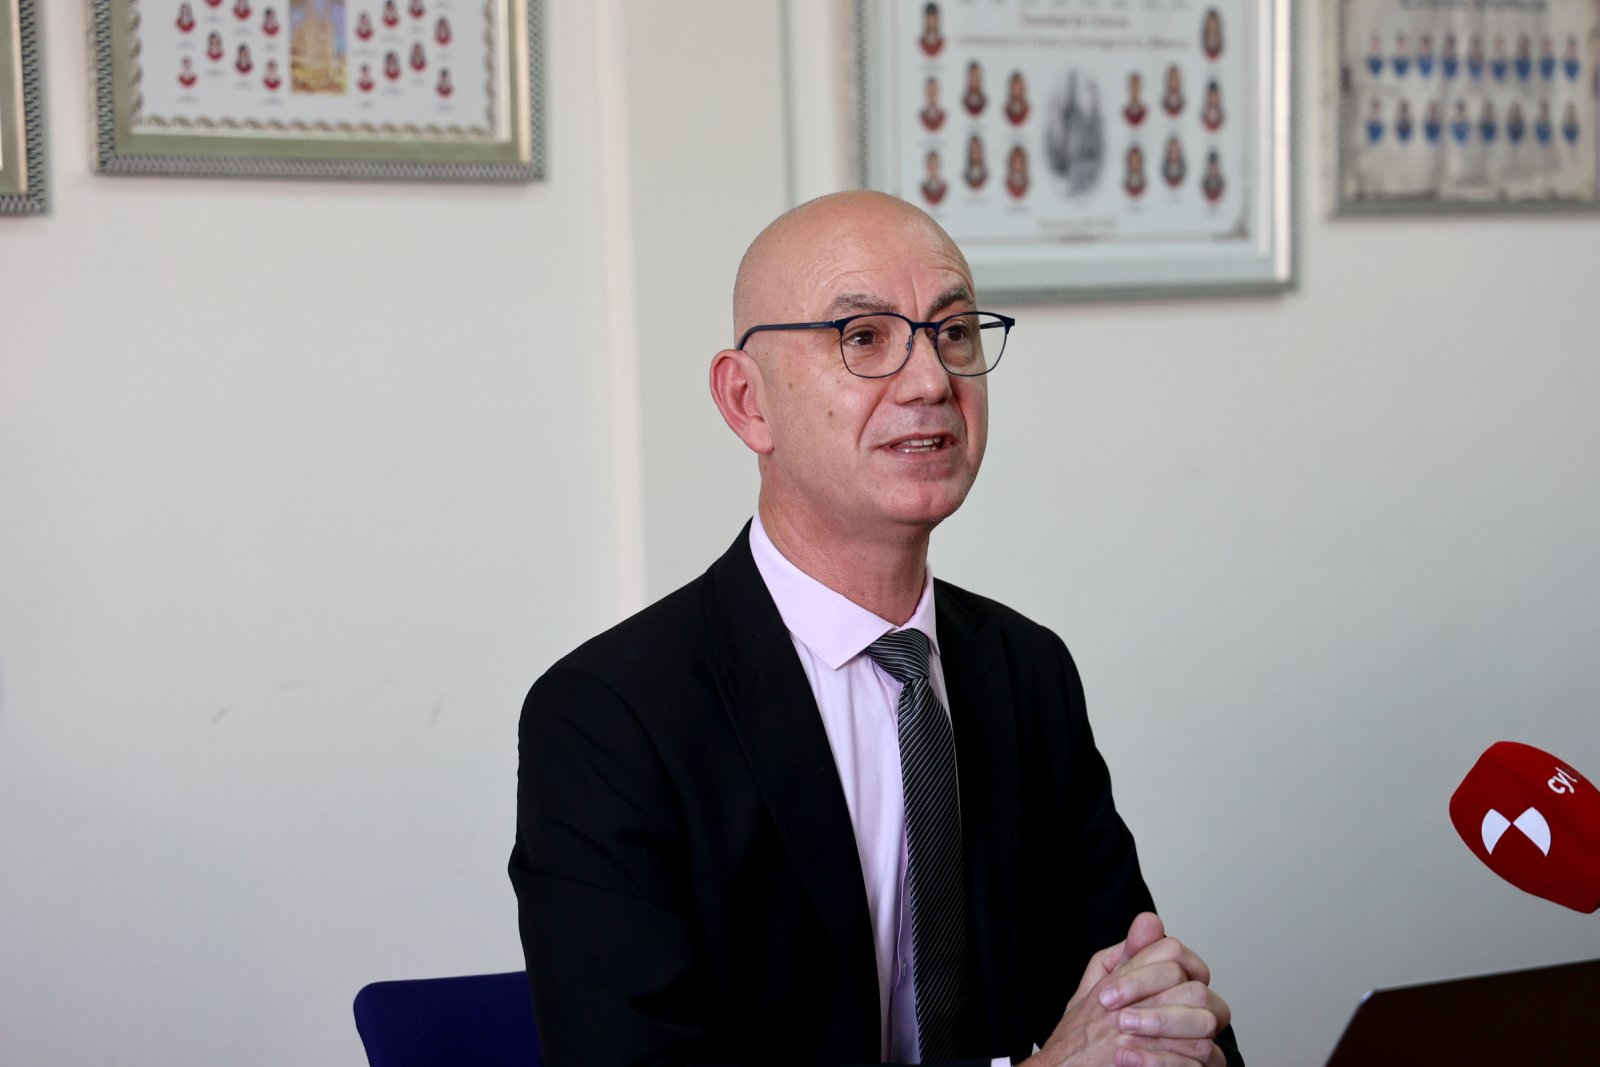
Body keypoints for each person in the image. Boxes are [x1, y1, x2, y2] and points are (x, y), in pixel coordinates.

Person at [510, 191, 1242, 1066]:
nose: (932, 381)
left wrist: (1167, 1029)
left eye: (954, 332)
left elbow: (1131, 1002)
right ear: (747, 401)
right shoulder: (609, 719)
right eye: (863, 338)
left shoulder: (1024, 671)